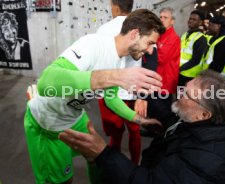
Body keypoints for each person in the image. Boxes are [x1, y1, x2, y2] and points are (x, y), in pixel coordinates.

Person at [24, 9, 165, 184]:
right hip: (49, 122)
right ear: (135, 34)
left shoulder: (120, 60)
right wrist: (113, 76)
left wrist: (140, 120)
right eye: (150, 43)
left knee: (98, 162)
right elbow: (46, 82)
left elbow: (110, 97)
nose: (151, 51)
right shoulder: (93, 44)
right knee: (64, 180)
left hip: (75, 116)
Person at [59, 70, 225, 184]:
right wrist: (144, 92)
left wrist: (103, 154)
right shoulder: (204, 123)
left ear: (204, 114)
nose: (178, 95)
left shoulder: (205, 162)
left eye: (186, 94)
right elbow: (169, 113)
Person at [96, 0, 142, 165]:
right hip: (133, 89)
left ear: (114, 7)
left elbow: (99, 61)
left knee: (115, 134)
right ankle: (135, 165)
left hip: (110, 90)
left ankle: (114, 169)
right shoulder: (140, 28)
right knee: (135, 131)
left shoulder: (104, 29)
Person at [137, 7, 180, 130]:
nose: (161, 20)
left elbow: (160, 58)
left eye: (165, 17)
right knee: (152, 108)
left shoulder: (173, 38)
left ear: (172, 21)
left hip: (164, 83)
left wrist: (145, 50)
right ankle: (152, 129)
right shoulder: (160, 35)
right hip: (156, 80)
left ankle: (162, 134)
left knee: (162, 112)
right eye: (160, 17)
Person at [202, 15, 225, 84]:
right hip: (213, 80)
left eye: (210, 25)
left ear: (218, 26)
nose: (208, 27)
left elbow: (217, 66)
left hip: (220, 82)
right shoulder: (216, 39)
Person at [178, 10, 207, 85]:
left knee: (186, 96)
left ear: (200, 23)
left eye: (194, 20)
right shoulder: (185, 34)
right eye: (190, 19)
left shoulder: (201, 38)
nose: (190, 21)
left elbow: (196, 60)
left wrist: (179, 69)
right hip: (181, 73)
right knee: (179, 95)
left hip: (191, 75)